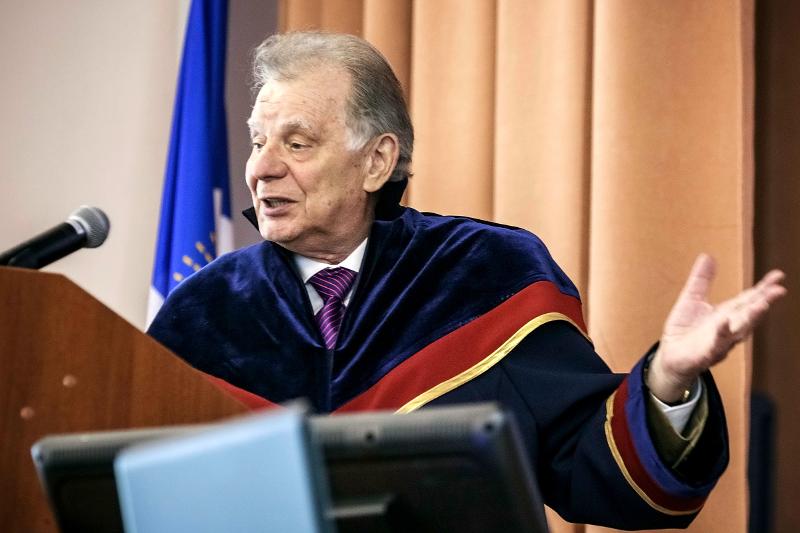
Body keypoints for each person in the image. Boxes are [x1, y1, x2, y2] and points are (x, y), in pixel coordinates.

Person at [148, 31, 786, 529]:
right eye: (257, 141)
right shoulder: (203, 315)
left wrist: (668, 381)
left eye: (296, 143)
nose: (260, 169)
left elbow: (588, 467)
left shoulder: (486, 276)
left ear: (377, 162)